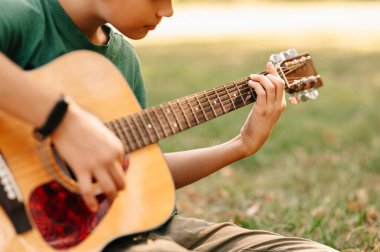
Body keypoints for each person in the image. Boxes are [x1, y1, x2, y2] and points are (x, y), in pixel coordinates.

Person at [0, 0, 338, 251]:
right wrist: (63, 121)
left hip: (141, 227)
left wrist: (241, 145)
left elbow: (140, 173)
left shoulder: (121, 61)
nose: (168, 10)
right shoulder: (23, 15)